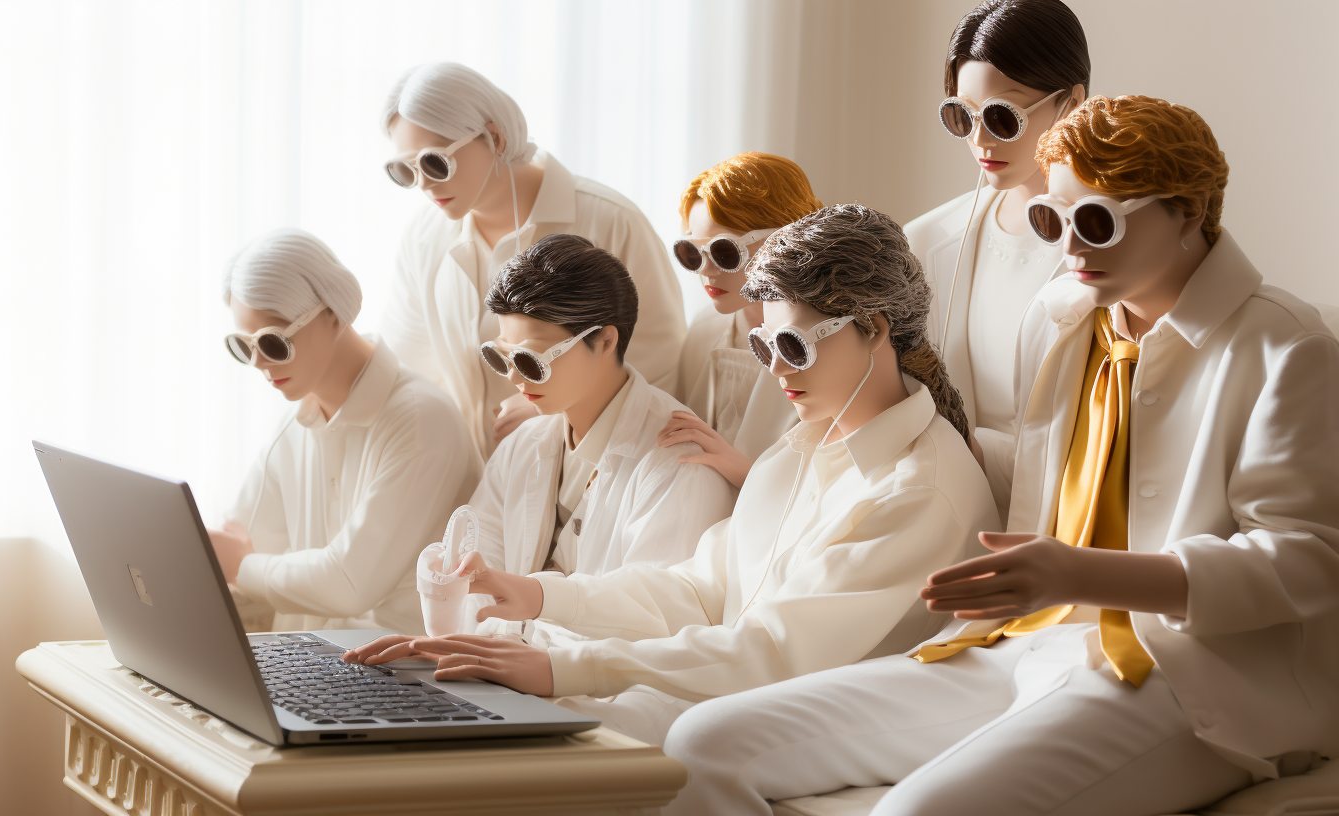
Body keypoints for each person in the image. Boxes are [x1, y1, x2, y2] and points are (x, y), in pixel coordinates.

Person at [659, 96, 1339, 816]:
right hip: (1021, 642)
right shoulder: (1058, 323)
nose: (1070, 248)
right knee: (700, 743)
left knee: (916, 813)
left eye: (1097, 221)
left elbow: (1309, 557)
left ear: (1189, 212)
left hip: (1183, 674)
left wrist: (1079, 571)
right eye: (1053, 219)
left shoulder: (1288, 346)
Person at [346, 205, 999, 748]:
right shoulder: (798, 448)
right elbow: (701, 589)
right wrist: (541, 597)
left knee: (569, 729)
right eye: (763, 346)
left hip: (843, 716)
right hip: (765, 686)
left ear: (874, 328)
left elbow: (772, 651)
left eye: (793, 346)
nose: (776, 370)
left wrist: (557, 665)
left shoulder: (916, 488)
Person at [377, 62, 686, 460]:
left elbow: (660, 361)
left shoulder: (609, 220)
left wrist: (556, 404)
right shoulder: (424, 238)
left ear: (494, 138)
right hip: (478, 477)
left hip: (595, 477)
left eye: (435, 162)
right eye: (404, 170)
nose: (423, 184)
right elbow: (413, 370)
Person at [446, 233, 734, 637]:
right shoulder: (521, 445)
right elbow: (469, 582)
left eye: (531, 361)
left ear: (604, 341)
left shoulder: (679, 463)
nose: (512, 377)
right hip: (499, 683)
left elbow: (654, 623)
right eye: (502, 356)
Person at [207, 229, 480, 635]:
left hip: (405, 672)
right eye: (244, 347)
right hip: (313, 659)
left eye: (273, 344)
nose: (261, 365)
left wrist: (242, 566)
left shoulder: (420, 422)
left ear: (332, 314)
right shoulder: (296, 422)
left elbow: (349, 584)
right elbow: (235, 536)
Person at [905, 0, 1089, 515]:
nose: (980, 139)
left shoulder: (1117, 247)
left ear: (1070, 102)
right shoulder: (922, 242)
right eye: (961, 115)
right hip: (937, 517)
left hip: (1060, 531)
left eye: (1003, 117)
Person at [661, 152, 813, 489]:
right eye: (692, 253)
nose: (705, 271)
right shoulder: (704, 328)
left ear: (787, 236)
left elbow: (824, 492)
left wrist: (737, 467)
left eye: (725, 253)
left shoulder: (825, 340)